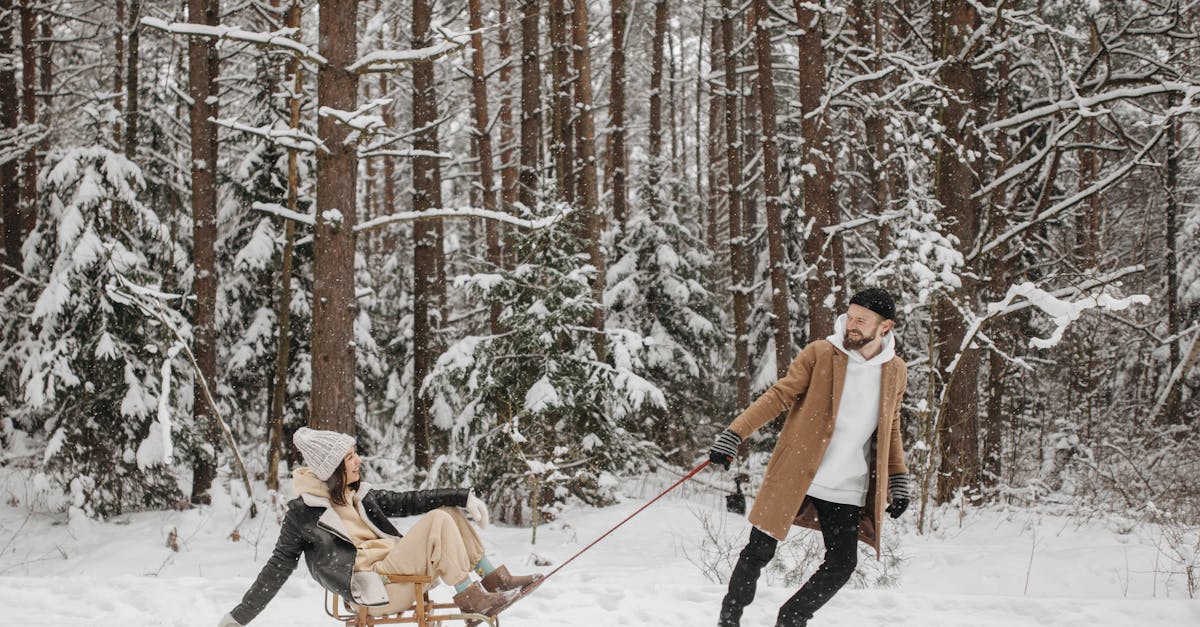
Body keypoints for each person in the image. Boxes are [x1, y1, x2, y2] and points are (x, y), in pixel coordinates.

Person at [708, 288, 912, 627]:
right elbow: (779, 396)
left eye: (862, 320)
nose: (852, 325)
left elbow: (891, 427)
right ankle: (729, 619)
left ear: (886, 326)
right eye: (850, 316)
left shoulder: (895, 371)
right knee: (759, 550)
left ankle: (791, 618)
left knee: (843, 564)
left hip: (848, 484)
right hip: (799, 472)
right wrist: (734, 434)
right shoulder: (821, 353)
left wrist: (899, 479)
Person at [217, 427, 541, 626]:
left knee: (447, 512)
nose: (358, 461)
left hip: (396, 571)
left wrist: (462, 496)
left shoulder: (357, 494)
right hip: (376, 588)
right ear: (332, 470)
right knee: (438, 521)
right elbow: (277, 567)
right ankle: (469, 600)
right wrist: (239, 618)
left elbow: (409, 500)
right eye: (350, 458)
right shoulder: (304, 514)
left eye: (355, 454)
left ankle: (494, 580)